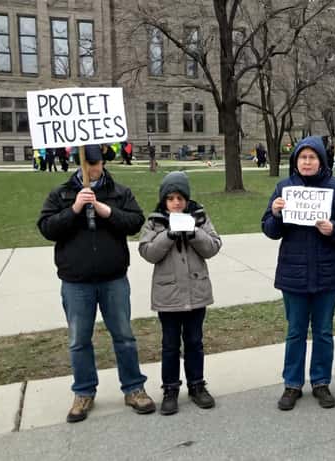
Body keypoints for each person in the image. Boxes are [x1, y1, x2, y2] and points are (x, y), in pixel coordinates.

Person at [37, 144, 155, 423]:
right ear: (80, 164)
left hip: (113, 278)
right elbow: (46, 228)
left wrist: (107, 211)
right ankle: (84, 391)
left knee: (124, 336)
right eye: (89, 163)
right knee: (79, 340)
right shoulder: (62, 193)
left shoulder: (119, 191)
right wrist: (75, 208)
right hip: (76, 281)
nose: (94, 168)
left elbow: (136, 221)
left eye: (98, 162)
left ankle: (134, 388)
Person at [261, 136, 335, 411]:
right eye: (302, 158)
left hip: (329, 272)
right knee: (295, 332)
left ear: (321, 161)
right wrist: (276, 214)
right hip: (294, 274)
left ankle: (321, 382)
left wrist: (334, 230)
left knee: (324, 331)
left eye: (311, 157)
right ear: (296, 161)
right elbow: (269, 229)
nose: (306, 162)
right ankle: (292, 384)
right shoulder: (284, 188)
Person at [139, 172, 222, 415]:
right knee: (170, 344)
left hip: (196, 293)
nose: (176, 203)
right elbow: (147, 251)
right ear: (164, 201)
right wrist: (169, 235)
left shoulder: (199, 217)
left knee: (195, 342)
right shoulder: (155, 222)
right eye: (171, 198)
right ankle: (170, 389)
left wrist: (194, 232)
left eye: (180, 198)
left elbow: (213, 246)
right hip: (169, 296)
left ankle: (197, 385)